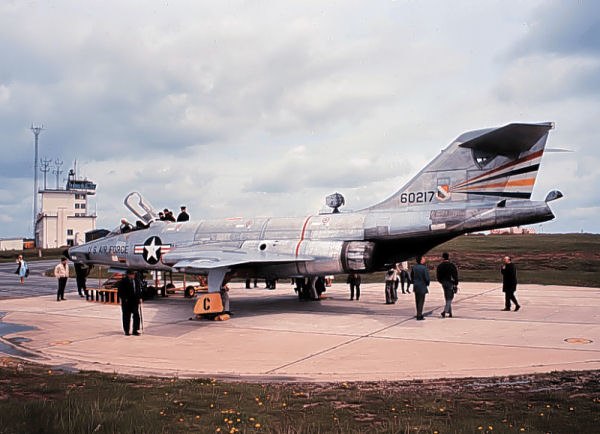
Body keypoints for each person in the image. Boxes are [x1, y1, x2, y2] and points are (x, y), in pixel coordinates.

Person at [117, 270, 142, 335]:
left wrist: (140, 298)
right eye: (132, 274)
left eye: (134, 274)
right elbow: (120, 292)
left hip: (135, 301)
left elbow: (138, 290)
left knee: (136, 315)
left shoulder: (136, 281)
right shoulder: (123, 282)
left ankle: (135, 330)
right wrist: (124, 299)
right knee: (126, 316)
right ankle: (126, 330)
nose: (133, 275)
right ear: (128, 275)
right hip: (127, 302)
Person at [436, 252, 459, 318]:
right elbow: (455, 275)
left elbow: (438, 276)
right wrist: (456, 283)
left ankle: (450, 312)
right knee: (450, 297)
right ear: (448, 257)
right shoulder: (452, 265)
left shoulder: (440, 266)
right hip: (450, 282)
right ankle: (445, 311)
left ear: (443, 257)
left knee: (447, 296)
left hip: (443, 282)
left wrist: (441, 281)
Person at [411, 256, 430, 320]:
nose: (424, 259)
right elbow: (427, 278)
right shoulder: (424, 268)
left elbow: (412, 276)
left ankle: (418, 313)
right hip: (422, 285)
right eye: (423, 258)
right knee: (421, 301)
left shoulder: (414, 267)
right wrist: (427, 283)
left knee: (417, 300)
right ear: (421, 260)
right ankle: (419, 315)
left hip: (416, 285)